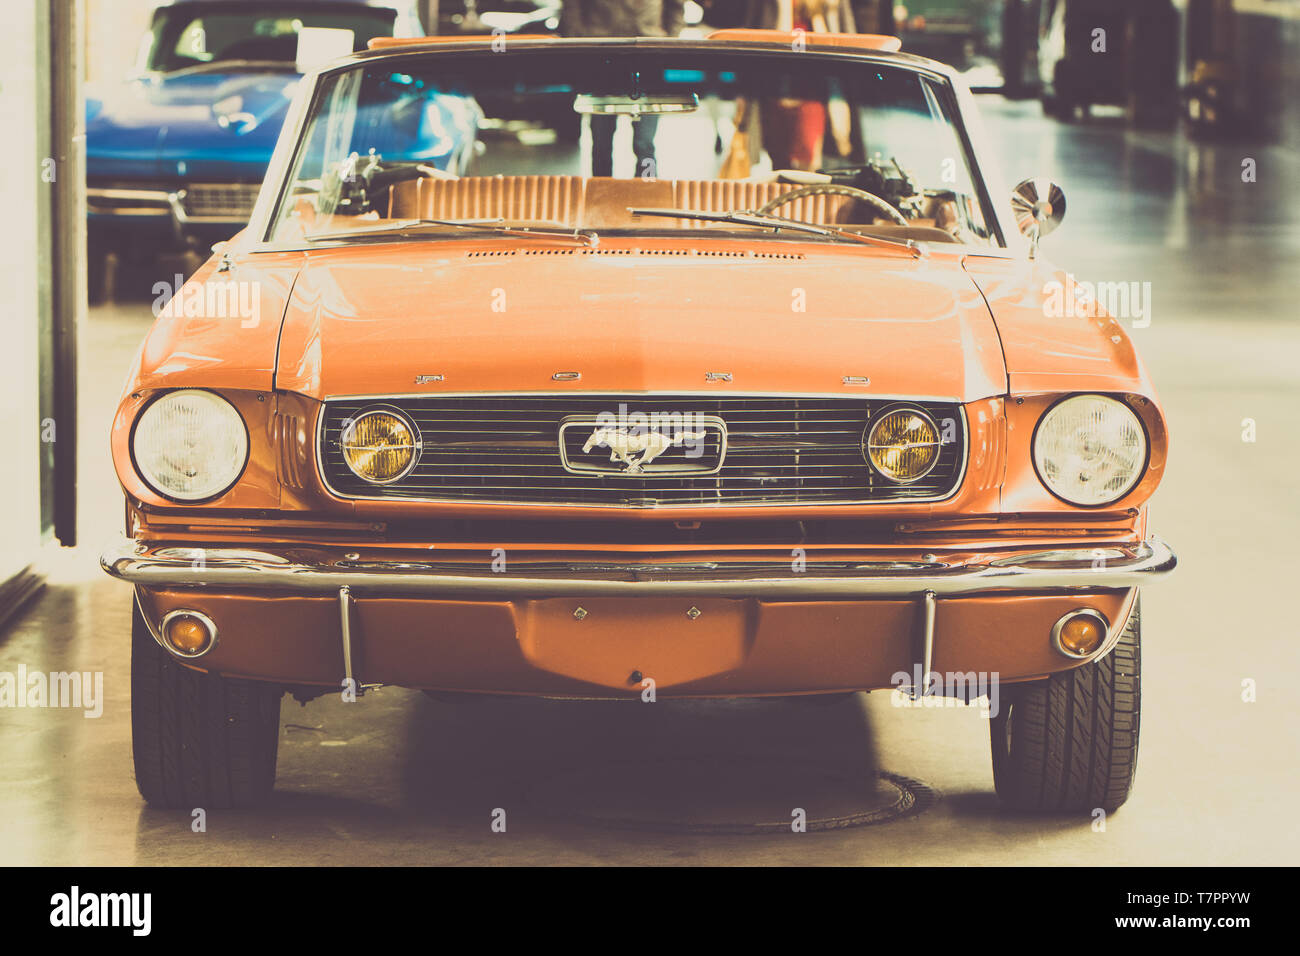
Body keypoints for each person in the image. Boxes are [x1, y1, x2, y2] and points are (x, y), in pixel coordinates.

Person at [561, 1, 687, 177]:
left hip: (649, 55)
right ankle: (601, 194)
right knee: (601, 141)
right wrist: (578, 35)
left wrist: (669, 38)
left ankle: (648, 189)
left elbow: (676, 6)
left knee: (645, 143)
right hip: (601, 53)